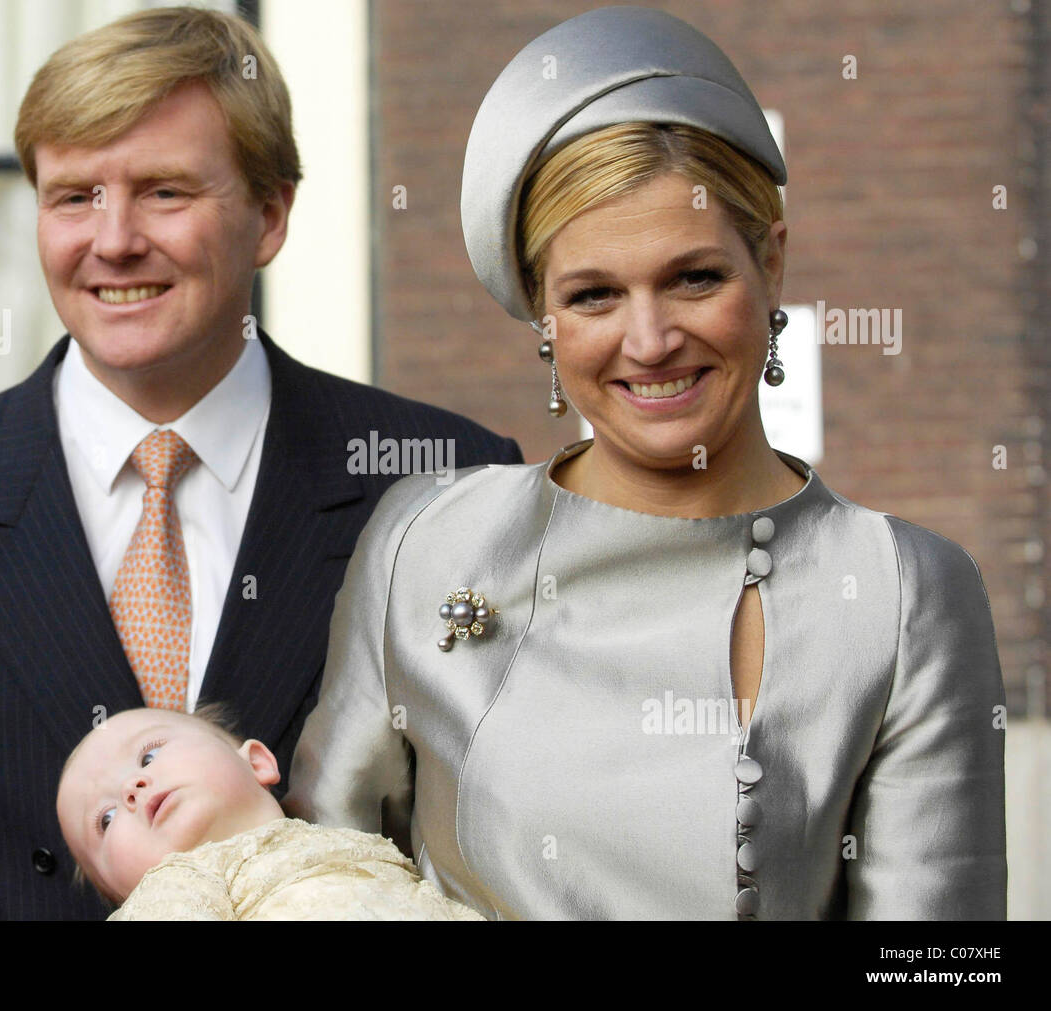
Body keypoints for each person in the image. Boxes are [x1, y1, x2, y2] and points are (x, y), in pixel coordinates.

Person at [0, 6, 520, 920]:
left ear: (272, 213)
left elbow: (502, 868)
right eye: (74, 195)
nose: (114, 239)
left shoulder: (447, 483)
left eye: (165, 191)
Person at [284, 6, 1006, 920]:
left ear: (772, 264)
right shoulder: (426, 542)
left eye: (694, 278)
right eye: (593, 295)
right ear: (544, 319)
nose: (651, 339)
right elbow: (312, 885)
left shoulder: (905, 592)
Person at [56, 706, 483, 920]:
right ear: (123, 897)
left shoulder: (350, 839)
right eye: (105, 819)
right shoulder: (176, 889)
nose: (132, 788)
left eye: (148, 757)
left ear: (256, 761)